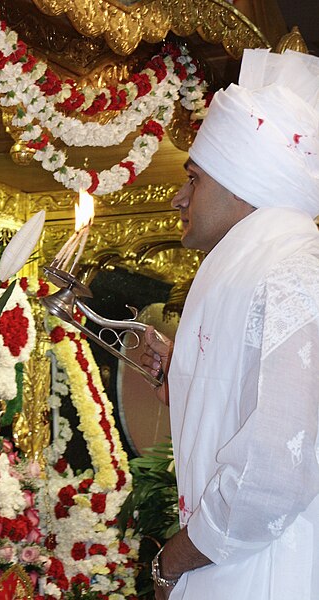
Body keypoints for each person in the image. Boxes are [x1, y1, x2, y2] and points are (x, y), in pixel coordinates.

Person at [141, 48, 319, 600]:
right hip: (233, 561)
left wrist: (171, 560)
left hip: (267, 568)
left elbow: (274, 472)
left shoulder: (294, 271)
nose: (177, 197)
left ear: (244, 179)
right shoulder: (268, 262)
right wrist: (185, 373)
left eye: (192, 178)